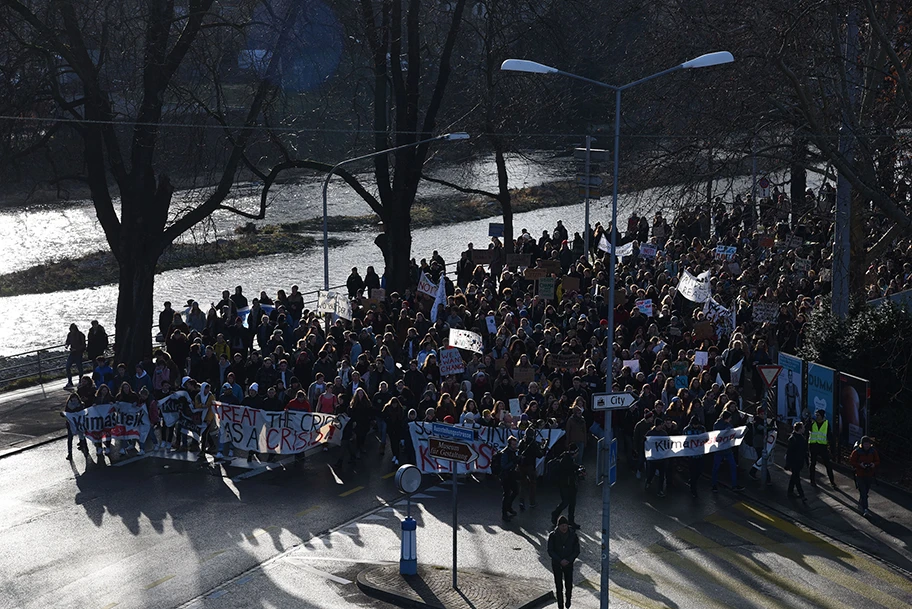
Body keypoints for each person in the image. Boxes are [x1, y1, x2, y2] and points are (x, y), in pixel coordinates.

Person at [547, 515, 580, 609]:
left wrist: (568, 560)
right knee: (559, 586)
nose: (564, 528)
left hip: (568, 564)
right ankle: (560, 606)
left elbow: (576, 550)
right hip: (557, 564)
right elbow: (550, 550)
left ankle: (568, 600)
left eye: (565, 526)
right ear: (558, 526)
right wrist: (560, 560)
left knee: (569, 585)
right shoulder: (553, 535)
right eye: (562, 526)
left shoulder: (573, 535)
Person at [711, 409, 744, 493]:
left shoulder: (727, 424)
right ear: (726, 418)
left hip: (727, 449)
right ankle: (714, 485)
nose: (731, 419)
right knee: (716, 467)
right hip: (720, 449)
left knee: (732, 466)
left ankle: (734, 485)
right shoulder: (717, 425)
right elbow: (716, 435)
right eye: (730, 418)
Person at [550, 444, 580, 527]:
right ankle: (555, 514)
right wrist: (577, 469)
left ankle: (571, 521)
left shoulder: (568, 458)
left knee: (572, 503)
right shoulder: (566, 460)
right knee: (566, 502)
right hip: (564, 484)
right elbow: (569, 469)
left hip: (570, 484)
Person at [849, 436, 880, 516]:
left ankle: (863, 500)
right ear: (862, 444)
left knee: (866, 490)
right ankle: (865, 509)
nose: (867, 446)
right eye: (865, 444)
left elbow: (877, 461)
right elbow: (852, 461)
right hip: (860, 474)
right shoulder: (856, 452)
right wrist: (860, 465)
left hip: (869, 474)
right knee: (863, 491)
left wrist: (873, 464)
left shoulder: (873, 452)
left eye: (868, 444)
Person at [808, 409, 837, 489]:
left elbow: (830, 437)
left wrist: (832, 450)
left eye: (818, 415)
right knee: (812, 464)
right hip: (813, 445)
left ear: (822, 416)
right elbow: (807, 431)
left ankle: (832, 482)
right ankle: (812, 480)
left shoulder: (827, 424)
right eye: (816, 415)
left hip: (822, 447)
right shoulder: (812, 423)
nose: (816, 417)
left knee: (828, 464)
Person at [517, 427, 543, 511]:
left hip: (521, 466)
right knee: (533, 484)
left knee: (522, 484)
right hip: (530, 467)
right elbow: (539, 455)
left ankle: (521, 501)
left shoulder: (521, 442)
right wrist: (543, 447)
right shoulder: (533, 444)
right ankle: (532, 502)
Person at [682, 415, 706, 498]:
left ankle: (692, 481)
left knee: (699, 471)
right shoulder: (686, 430)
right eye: (695, 424)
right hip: (691, 455)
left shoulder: (702, 429)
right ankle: (693, 489)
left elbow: (706, 438)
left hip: (700, 454)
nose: (696, 426)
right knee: (693, 471)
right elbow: (684, 442)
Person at [785, 421, 808, 501]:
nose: (804, 429)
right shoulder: (793, 439)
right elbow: (789, 452)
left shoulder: (801, 438)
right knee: (797, 478)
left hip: (799, 461)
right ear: (800, 429)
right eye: (803, 427)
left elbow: (804, 451)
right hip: (794, 462)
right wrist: (788, 463)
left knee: (794, 477)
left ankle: (790, 491)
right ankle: (802, 495)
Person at [500, 436, 520, 521]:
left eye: (516, 444)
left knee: (516, 491)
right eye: (513, 444)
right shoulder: (505, 453)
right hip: (505, 476)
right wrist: (514, 462)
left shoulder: (513, 452)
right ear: (509, 444)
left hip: (511, 475)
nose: (515, 446)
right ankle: (504, 513)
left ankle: (509, 506)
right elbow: (504, 466)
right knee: (506, 494)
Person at [61, 393, 86, 460]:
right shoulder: (68, 406)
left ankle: (85, 447)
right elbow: (66, 414)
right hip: (71, 425)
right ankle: (70, 453)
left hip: (79, 424)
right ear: (70, 399)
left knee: (82, 436)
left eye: (75, 398)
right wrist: (63, 414)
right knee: (70, 439)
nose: (74, 399)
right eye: (73, 398)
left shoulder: (81, 404)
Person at [64, 323, 86, 388]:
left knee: (80, 368)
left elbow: (84, 345)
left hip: (78, 353)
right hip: (72, 353)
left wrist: (76, 349)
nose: (71, 331)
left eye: (72, 329)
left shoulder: (81, 335)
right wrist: (66, 345)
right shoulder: (70, 334)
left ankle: (81, 382)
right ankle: (70, 382)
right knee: (67, 366)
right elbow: (67, 341)